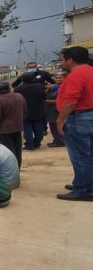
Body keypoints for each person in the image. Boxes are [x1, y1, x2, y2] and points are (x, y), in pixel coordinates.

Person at [56, 46, 93, 201]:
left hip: (80, 118)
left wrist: (61, 119)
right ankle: (82, 183)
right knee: (88, 154)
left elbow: (71, 101)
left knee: (80, 156)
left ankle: (85, 190)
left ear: (70, 60)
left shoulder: (76, 75)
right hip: (88, 116)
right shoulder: (90, 71)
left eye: (62, 60)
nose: (61, 63)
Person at [0, 81, 27, 167]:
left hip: (3, 130)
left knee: (8, 151)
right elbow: (25, 111)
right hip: (17, 127)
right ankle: (18, 166)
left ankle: (11, 168)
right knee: (17, 148)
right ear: (9, 88)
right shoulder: (19, 96)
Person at [14, 72, 46, 150]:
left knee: (27, 129)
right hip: (39, 110)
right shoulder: (40, 86)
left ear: (22, 79)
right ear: (33, 78)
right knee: (39, 128)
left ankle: (29, 144)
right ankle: (37, 142)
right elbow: (44, 96)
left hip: (25, 111)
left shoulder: (18, 89)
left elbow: (14, 88)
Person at [45, 71, 66, 147]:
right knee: (52, 126)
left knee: (57, 126)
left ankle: (60, 141)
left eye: (60, 78)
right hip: (51, 109)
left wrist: (47, 101)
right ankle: (56, 140)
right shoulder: (54, 86)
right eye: (56, 78)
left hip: (57, 110)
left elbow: (62, 100)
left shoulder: (64, 87)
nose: (58, 79)